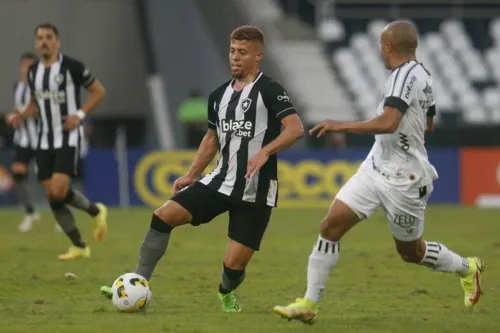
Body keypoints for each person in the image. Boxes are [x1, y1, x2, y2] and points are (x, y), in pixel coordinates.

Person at [273, 20, 485, 322]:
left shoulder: (402, 77)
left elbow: (388, 123)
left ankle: (468, 268)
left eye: (381, 47)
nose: (380, 52)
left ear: (387, 47)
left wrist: (340, 124)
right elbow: (429, 123)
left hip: (404, 179)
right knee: (330, 226)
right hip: (375, 166)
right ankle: (309, 303)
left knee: (411, 253)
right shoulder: (423, 74)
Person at [100, 25, 304, 312]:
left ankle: (226, 291)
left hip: (255, 190)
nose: (235, 57)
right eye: (232, 51)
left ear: (257, 56)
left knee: (233, 266)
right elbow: (211, 138)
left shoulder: (270, 90)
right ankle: (136, 283)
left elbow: (295, 129)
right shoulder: (219, 96)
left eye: (242, 53)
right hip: (220, 180)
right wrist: (192, 174)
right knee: (162, 216)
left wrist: (266, 152)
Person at [5, 23, 108, 260]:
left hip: (67, 137)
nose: (44, 41)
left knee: (59, 190)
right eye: (40, 38)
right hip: (43, 141)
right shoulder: (33, 72)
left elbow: (99, 91)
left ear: (57, 42)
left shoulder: (72, 67)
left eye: (48, 37)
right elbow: (35, 103)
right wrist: (21, 114)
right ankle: (81, 242)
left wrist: (79, 115)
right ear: (35, 43)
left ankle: (93, 215)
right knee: (52, 194)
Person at [9, 52, 41, 232]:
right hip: (23, 139)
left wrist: (18, 115)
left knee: (50, 181)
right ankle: (30, 213)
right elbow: (18, 107)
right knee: (18, 172)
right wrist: (13, 115)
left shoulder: (40, 88)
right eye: (25, 65)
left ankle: (62, 213)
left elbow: (37, 111)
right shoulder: (18, 87)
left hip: (41, 138)